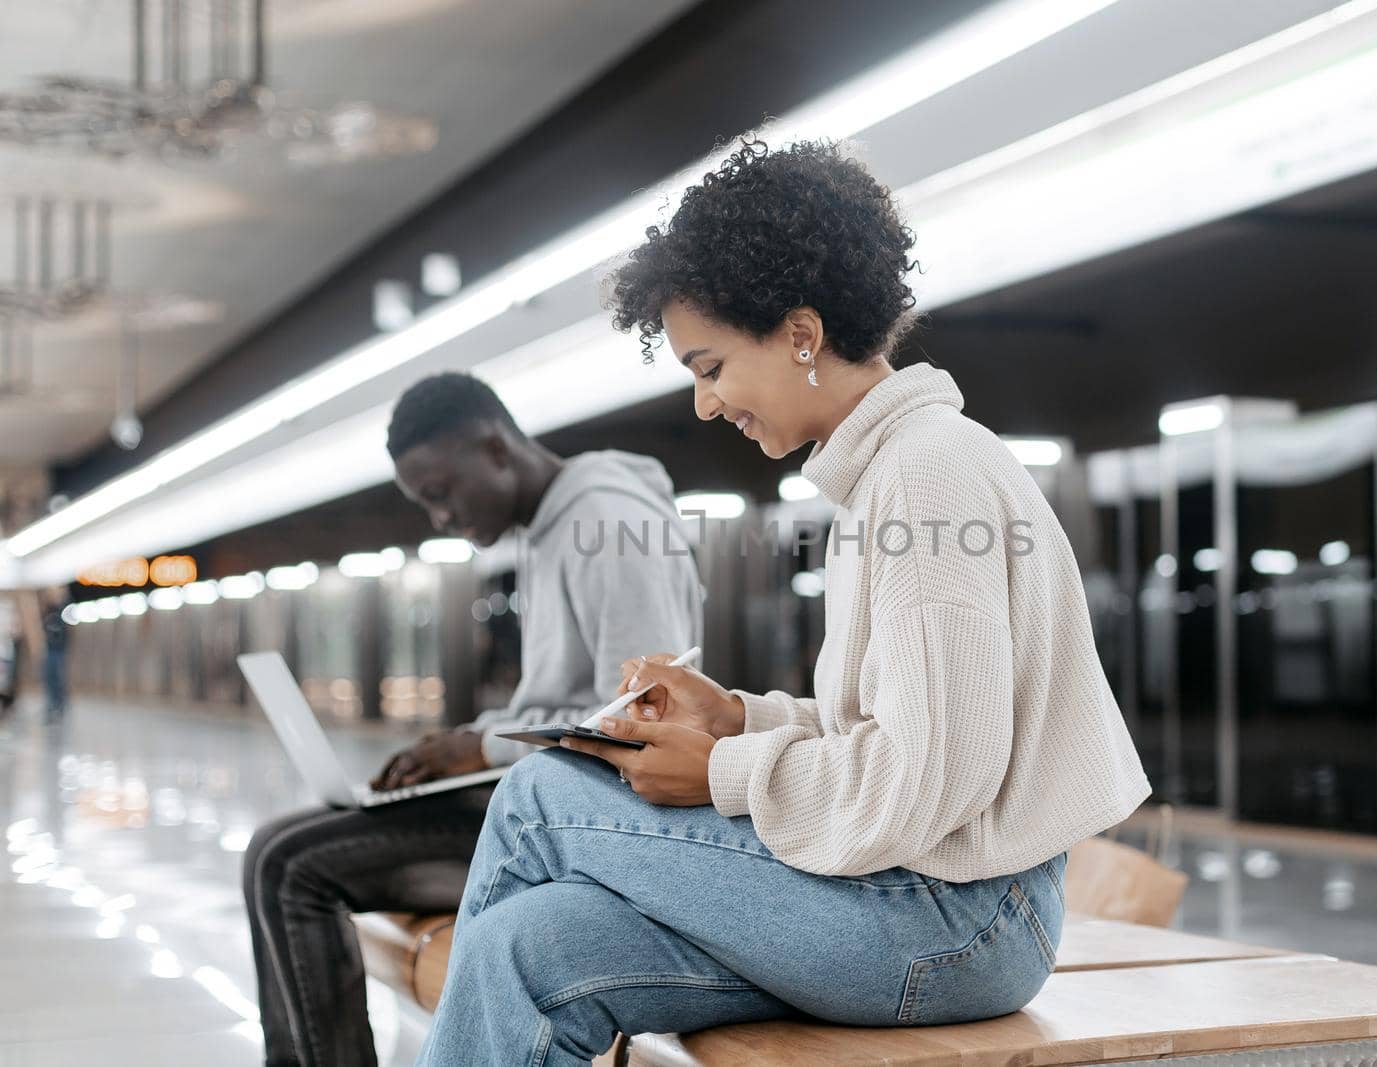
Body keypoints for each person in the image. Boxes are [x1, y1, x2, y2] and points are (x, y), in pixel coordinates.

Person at [417, 140, 1150, 1066]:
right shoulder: (896, 473)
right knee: (522, 949)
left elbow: (927, 778)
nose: (705, 403)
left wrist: (721, 772)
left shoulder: (925, 479)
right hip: (929, 907)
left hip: (952, 924)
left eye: (711, 365)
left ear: (801, 334)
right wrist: (735, 716)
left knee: (538, 799)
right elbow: (900, 731)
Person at [242, 373, 702, 1067]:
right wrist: (468, 742)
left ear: (495, 447)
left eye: (440, 493)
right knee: (277, 850)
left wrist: (483, 745)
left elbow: (646, 714)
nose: (441, 518)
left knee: (289, 863)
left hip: (585, 831)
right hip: (538, 804)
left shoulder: (604, 519)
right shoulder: (551, 528)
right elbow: (569, 698)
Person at [40, 587, 70, 723]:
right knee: (49, 678)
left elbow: (66, 634)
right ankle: (52, 704)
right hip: (49, 650)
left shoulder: (62, 612)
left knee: (57, 678)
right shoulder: (46, 612)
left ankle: (59, 704)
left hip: (57, 651)